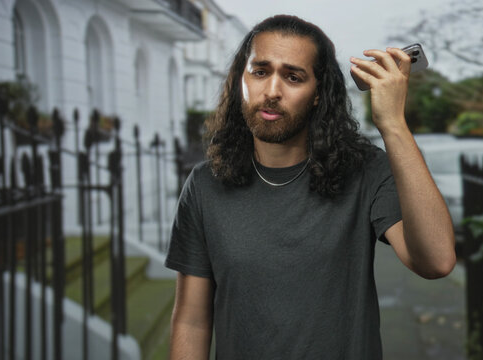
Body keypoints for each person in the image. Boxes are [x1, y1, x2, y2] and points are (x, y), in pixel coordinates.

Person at [165, 14, 456, 360]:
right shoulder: (204, 185)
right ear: (240, 80)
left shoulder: (364, 169)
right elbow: (192, 320)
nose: (272, 91)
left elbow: (436, 261)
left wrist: (393, 124)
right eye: (260, 71)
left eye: (293, 77)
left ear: (318, 94)